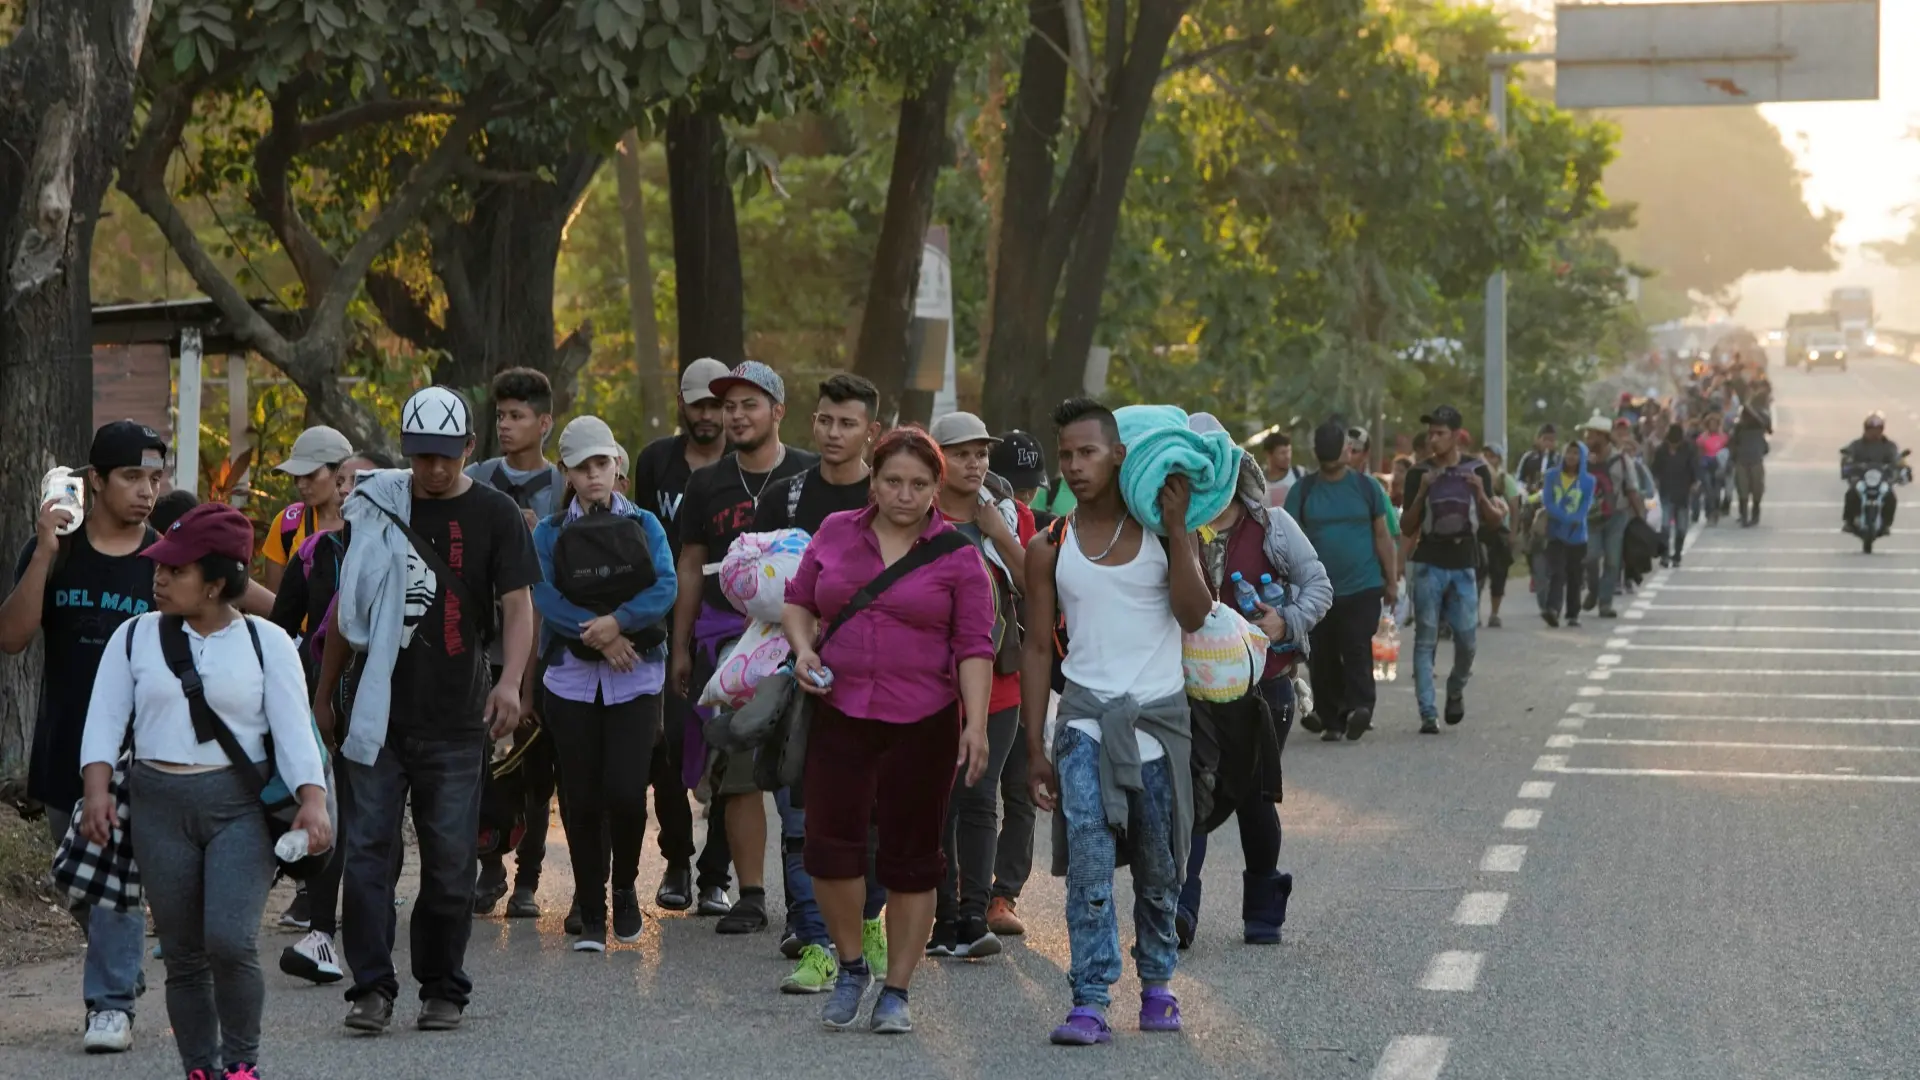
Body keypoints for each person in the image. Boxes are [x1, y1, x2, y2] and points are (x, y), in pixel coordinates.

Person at [315, 385, 539, 1035]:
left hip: (454, 718)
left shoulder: (495, 513)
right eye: (421, 457)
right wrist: (324, 697)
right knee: (368, 859)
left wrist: (511, 683)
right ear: (406, 452)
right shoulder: (378, 507)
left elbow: (519, 606)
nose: (433, 470)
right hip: (377, 718)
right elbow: (344, 612)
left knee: (448, 865)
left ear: (470, 448)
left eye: (445, 456)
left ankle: (442, 985)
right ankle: (371, 989)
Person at [79, 504, 332, 1080]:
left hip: (238, 810)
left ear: (217, 583)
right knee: (184, 952)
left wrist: (312, 801)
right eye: (159, 568)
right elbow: (104, 719)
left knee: (229, 940)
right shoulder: (134, 637)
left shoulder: (268, 643)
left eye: (176, 571)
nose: (159, 579)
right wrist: (96, 790)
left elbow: (296, 731)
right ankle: (200, 1068)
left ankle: (241, 1063)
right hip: (157, 806)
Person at [776, 426, 994, 1035]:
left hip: (923, 720)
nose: (905, 494)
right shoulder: (836, 533)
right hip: (839, 710)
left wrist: (975, 725)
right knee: (829, 852)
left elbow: (974, 646)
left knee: (912, 860)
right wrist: (801, 650)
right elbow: (799, 601)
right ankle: (851, 968)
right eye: (893, 481)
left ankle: (897, 988)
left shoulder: (958, 555)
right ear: (873, 481)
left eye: (920, 484)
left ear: (936, 488)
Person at [1020, 398, 1212, 1045]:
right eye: (1065, 454)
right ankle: (1090, 999)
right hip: (1084, 727)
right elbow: (1038, 647)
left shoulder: (1163, 531)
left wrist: (1180, 526)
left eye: (1088, 452)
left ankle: (1158, 985)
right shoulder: (1049, 545)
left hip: (1159, 726)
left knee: (1161, 869)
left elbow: (1193, 614)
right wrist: (1035, 748)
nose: (1074, 466)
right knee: (1090, 869)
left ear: (1118, 455)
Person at [0, 420, 168, 1054]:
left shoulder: (164, 560)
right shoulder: (58, 550)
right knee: (77, 879)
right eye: (131, 477)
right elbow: (12, 636)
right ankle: (121, 968)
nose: (146, 491)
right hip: (62, 744)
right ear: (94, 480)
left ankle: (110, 1004)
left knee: (111, 875)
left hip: (136, 754)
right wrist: (44, 550)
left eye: (155, 478)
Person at [669, 361, 818, 930]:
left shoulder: (810, 474)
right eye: (728, 406)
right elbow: (688, 566)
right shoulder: (706, 482)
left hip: (801, 637)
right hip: (727, 641)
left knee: (800, 764)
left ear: (778, 411)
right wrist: (681, 645)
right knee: (736, 767)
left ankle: (809, 903)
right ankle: (751, 895)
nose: (735, 415)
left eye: (748, 404)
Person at [751, 374, 886, 992]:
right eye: (825, 421)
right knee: (799, 814)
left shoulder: (891, 496)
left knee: (874, 816)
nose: (833, 434)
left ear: (871, 432)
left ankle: (871, 921)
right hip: (792, 671)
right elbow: (749, 583)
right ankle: (814, 942)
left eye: (848, 424)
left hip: (878, 679)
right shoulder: (784, 496)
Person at [532, 416, 678, 951]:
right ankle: (590, 909)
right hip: (571, 681)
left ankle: (624, 890)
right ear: (566, 472)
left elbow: (666, 583)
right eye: (581, 466)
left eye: (602, 463)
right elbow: (544, 594)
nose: (594, 475)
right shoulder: (548, 533)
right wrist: (600, 636)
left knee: (625, 790)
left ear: (617, 464)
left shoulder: (645, 524)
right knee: (580, 796)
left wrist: (621, 623)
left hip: (637, 677)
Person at [1180, 423, 1329, 947]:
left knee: (1252, 796)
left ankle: (1263, 911)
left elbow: (1319, 587)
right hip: (1192, 691)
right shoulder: (1171, 530)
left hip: (1267, 687)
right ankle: (1181, 910)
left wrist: (1284, 621)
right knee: (1192, 794)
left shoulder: (1274, 526)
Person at [271, 449, 397, 985]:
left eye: (360, 481)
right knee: (337, 812)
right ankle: (321, 931)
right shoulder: (319, 551)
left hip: (399, 708)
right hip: (328, 705)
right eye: (343, 481)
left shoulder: (409, 549)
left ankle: (376, 922)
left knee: (379, 822)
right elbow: (280, 625)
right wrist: (308, 697)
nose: (348, 491)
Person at [921, 412, 1034, 962]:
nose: (974, 463)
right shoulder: (917, 516)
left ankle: (974, 914)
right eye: (961, 453)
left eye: (981, 453)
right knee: (938, 798)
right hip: (930, 679)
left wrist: (999, 533)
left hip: (1000, 678)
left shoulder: (1010, 516)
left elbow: (1039, 586)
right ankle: (942, 917)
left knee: (980, 794)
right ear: (937, 459)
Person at [629, 356, 733, 913]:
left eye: (718, 406)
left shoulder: (743, 467)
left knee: (727, 745)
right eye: (700, 404)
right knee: (666, 745)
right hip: (664, 620)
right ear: (682, 405)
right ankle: (677, 861)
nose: (709, 416)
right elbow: (641, 535)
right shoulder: (656, 462)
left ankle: (717, 872)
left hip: (731, 621)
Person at [466, 368, 564, 921]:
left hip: (547, 646)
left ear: (544, 422)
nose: (506, 425)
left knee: (537, 764)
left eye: (518, 416)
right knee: (480, 761)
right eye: (500, 415)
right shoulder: (477, 477)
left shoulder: (561, 487)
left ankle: (528, 877)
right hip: (485, 646)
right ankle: (487, 867)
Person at [1288, 419, 1396, 741]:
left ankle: (1360, 708)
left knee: (1356, 648)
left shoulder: (1366, 488)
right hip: (1317, 590)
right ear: (1346, 451)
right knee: (1321, 655)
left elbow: (1382, 536)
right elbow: (1288, 539)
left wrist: (1391, 580)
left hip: (1361, 586)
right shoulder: (1303, 491)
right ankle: (1333, 720)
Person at [1399, 405, 1502, 734]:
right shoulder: (1419, 473)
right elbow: (1406, 526)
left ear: (1456, 436)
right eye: (1430, 433)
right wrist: (1422, 491)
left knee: (1467, 638)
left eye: (1440, 433)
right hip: (1429, 562)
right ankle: (1428, 712)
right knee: (1426, 638)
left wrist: (1480, 494)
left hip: (1463, 562)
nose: (1433, 439)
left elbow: (1495, 520)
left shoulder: (1477, 469)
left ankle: (1455, 688)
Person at [985, 429, 1050, 936]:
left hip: (1024, 672)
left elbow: (1036, 585)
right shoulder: (970, 518)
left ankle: (1004, 894)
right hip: (973, 675)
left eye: (1032, 487)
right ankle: (960, 891)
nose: (1025, 497)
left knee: (1021, 788)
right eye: (1018, 487)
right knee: (970, 790)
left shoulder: (1034, 527)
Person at [260, 425, 354, 591]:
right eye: (296, 476)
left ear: (340, 470)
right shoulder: (287, 524)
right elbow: (273, 605)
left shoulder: (370, 523)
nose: (301, 484)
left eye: (310, 474)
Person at [1580, 414, 1639, 619]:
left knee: (1613, 561)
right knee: (1590, 557)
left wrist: (1641, 517)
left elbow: (1631, 489)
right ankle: (1594, 590)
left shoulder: (1622, 460)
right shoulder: (1581, 459)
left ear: (1603, 436)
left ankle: (1605, 603)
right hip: (1590, 517)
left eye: (1592, 434)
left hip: (1617, 516)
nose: (1587, 438)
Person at [1541, 444, 1596, 628]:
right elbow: (1548, 502)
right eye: (1568, 452)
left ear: (1582, 457)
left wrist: (1575, 519)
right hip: (1555, 532)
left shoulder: (1588, 481)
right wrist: (1564, 518)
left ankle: (1573, 613)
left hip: (1577, 535)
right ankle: (1552, 609)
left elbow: (1585, 506)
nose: (1571, 457)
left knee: (1575, 575)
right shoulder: (1551, 476)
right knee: (1557, 572)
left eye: (1576, 453)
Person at [1477, 444, 1520, 628]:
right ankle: (1474, 612)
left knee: (1499, 572)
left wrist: (1513, 532)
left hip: (1500, 531)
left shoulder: (1505, 480)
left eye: (1492, 456)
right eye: (1485, 455)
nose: (1488, 459)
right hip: (1479, 530)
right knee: (1477, 572)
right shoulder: (1475, 477)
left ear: (1499, 460)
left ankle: (1494, 613)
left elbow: (1514, 507)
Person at [1650, 423, 1702, 566]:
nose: (1673, 446)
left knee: (1681, 528)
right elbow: (1655, 469)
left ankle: (1677, 554)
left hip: (1683, 494)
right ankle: (1665, 555)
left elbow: (1695, 468)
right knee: (1665, 527)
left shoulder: (1689, 449)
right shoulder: (1662, 450)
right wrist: (1654, 484)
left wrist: (1695, 483)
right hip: (1665, 493)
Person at [1843, 413, 1902, 536]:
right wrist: (1849, 465)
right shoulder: (1856, 445)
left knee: (1890, 497)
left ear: (1882, 430)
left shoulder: (1889, 446)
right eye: (1871, 430)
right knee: (1851, 494)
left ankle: (1886, 524)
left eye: (1877, 429)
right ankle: (1849, 521)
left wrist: (1898, 468)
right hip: (1862, 479)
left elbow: (1896, 460)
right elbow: (1847, 457)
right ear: (1865, 430)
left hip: (1881, 480)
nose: (1874, 433)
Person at [1732, 390, 1772, 527]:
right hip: (1744, 461)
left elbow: (1768, 427)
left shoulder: (1760, 424)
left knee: (1756, 490)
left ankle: (1753, 515)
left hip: (1754, 460)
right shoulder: (1739, 427)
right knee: (1743, 490)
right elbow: (1733, 443)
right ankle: (1744, 516)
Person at [1694, 412, 1730, 525]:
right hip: (1706, 465)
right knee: (1708, 489)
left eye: (1715, 423)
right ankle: (1709, 512)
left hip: (1718, 465)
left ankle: (1715, 511)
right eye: (1711, 424)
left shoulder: (1723, 437)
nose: (1713, 426)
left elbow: (1726, 452)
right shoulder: (1702, 438)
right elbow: (1699, 453)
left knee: (1717, 491)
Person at [1262, 431, 1308, 508]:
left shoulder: (1300, 474)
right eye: (1282, 453)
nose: (1288, 457)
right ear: (1268, 454)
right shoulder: (1258, 482)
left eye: (1289, 451)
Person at [1515, 424, 1558, 490]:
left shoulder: (1559, 459)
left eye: (1551, 440)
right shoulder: (1528, 457)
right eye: (1545, 439)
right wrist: (1526, 488)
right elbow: (1519, 480)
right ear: (1538, 439)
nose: (1548, 443)